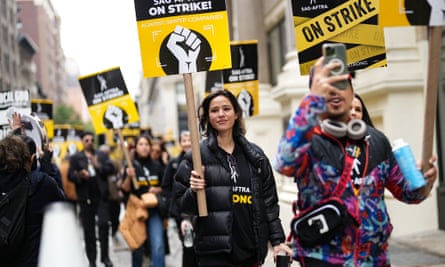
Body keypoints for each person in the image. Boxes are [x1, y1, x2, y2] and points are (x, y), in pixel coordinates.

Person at [273, 56, 437, 267]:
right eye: (327, 87)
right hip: (323, 260)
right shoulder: (307, 139)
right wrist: (312, 101)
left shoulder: (376, 140)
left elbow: (409, 194)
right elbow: (285, 162)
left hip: (374, 260)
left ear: (352, 92)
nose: (335, 91)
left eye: (342, 85)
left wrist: (426, 183)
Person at [174, 89, 293, 266]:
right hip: (215, 253)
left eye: (226, 108)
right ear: (208, 117)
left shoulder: (255, 156)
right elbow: (180, 205)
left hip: (250, 251)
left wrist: (277, 241)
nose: (221, 114)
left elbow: (268, 203)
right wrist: (194, 191)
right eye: (214, 110)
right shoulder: (196, 157)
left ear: (236, 113)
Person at [68, 131, 114, 267]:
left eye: (91, 140)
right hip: (85, 198)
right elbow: (70, 175)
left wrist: (97, 165)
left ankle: (105, 257)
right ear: (82, 141)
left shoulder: (101, 155)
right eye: (86, 140)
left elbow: (111, 169)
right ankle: (92, 260)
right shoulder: (76, 157)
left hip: (101, 196)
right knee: (89, 231)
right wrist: (80, 176)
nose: (89, 142)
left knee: (104, 225)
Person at [121, 135, 166, 267]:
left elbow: (165, 187)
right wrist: (129, 177)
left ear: (150, 147)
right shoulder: (130, 166)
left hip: (154, 209)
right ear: (136, 147)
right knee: (137, 245)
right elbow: (125, 189)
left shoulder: (157, 166)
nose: (144, 147)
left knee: (158, 245)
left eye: (146, 144)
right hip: (137, 210)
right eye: (140, 144)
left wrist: (157, 190)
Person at [161, 130, 197, 267]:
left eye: (190, 140)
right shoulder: (174, 163)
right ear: (180, 143)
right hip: (181, 213)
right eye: (184, 140)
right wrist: (175, 201)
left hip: (198, 212)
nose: (187, 143)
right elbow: (166, 187)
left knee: (198, 247)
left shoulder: (200, 160)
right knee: (188, 245)